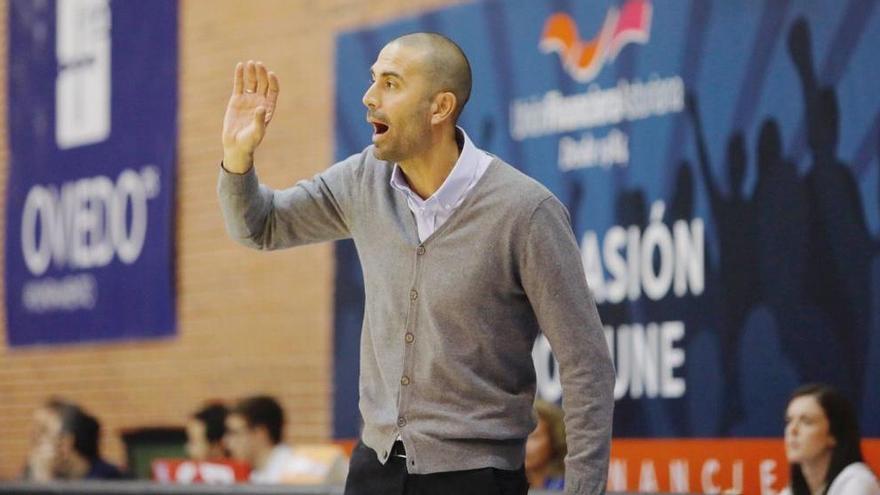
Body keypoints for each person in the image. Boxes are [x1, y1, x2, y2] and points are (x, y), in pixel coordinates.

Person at [217, 32, 614, 495]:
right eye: (372, 80)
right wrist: (237, 156)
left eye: (390, 83)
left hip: (477, 478)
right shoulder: (364, 180)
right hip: (374, 470)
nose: (368, 98)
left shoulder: (525, 212)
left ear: (439, 107)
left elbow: (586, 364)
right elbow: (260, 226)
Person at [780, 383, 880, 495]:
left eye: (807, 421)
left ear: (833, 435)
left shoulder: (857, 482)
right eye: (789, 421)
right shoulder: (791, 491)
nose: (792, 430)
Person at [23, 398, 125, 481]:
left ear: (66, 442)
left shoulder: (110, 482)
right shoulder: (31, 475)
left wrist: (44, 483)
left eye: (42, 432)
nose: (34, 441)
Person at [224, 395, 293, 483]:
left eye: (234, 433)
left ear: (260, 433)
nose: (226, 441)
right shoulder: (256, 476)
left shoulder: (296, 471)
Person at [525, 400, 567, 490]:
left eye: (533, 437)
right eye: (520, 437)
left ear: (554, 440)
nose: (524, 445)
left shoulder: (569, 488)